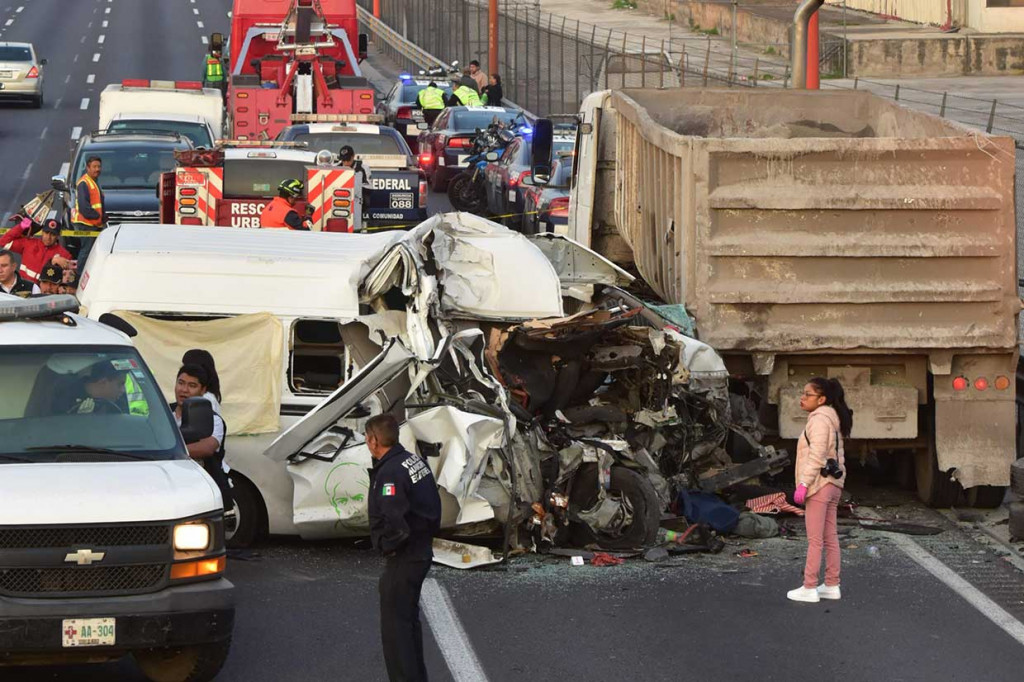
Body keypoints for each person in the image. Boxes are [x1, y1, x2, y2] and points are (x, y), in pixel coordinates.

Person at [367, 413, 441, 682]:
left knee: (396, 632)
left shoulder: (389, 473)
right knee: (408, 625)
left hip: (405, 557)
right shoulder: (412, 460)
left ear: (375, 441)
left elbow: (396, 523)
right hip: (420, 551)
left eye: (367, 438)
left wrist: (388, 547)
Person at [787, 376, 851, 604]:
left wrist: (804, 483)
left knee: (815, 540)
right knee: (830, 537)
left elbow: (817, 455)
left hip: (820, 485)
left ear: (822, 399)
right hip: (833, 485)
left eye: (808, 394)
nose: (802, 398)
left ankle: (809, 586)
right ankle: (832, 585)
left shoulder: (819, 420)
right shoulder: (831, 419)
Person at [172, 364, 233, 510]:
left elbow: (206, 448)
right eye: (180, 383)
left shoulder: (214, 420)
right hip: (171, 487)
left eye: (192, 385)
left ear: (203, 390)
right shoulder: (163, 413)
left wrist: (167, 450)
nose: (184, 390)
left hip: (203, 491)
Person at [0, 216, 74, 285]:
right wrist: (20, 227)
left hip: (43, 293)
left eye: (53, 234)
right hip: (22, 288)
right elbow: (3, 242)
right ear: (42, 232)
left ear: (58, 235)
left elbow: (70, 281)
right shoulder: (29, 243)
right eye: (46, 233)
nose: (48, 237)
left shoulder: (65, 255)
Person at [71, 156, 106, 265]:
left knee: (91, 251)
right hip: (86, 223)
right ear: (88, 168)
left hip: (92, 223)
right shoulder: (84, 183)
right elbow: (84, 207)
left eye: (99, 166)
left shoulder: (93, 182)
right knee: (86, 251)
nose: (97, 169)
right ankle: (80, 275)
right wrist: (98, 216)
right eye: (94, 166)